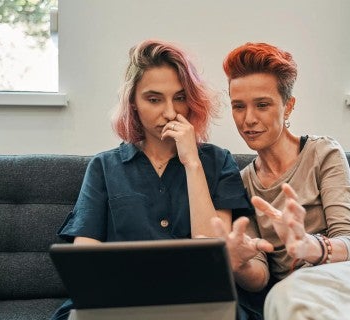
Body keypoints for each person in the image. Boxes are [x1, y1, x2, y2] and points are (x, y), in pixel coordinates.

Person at [213, 42, 350, 320]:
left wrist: (308, 246)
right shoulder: (242, 184)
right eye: (238, 106)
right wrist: (238, 263)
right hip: (321, 301)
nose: (249, 119)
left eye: (262, 105)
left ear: (288, 106)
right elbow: (259, 277)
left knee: (285, 295)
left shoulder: (322, 152)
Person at [50, 39, 252, 320]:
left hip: (196, 303)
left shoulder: (218, 162)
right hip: (119, 303)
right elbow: (87, 262)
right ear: (133, 102)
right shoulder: (104, 167)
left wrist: (191, 163)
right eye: (154, 99)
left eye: (180, 98)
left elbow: (212, 255)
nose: (170, 113)